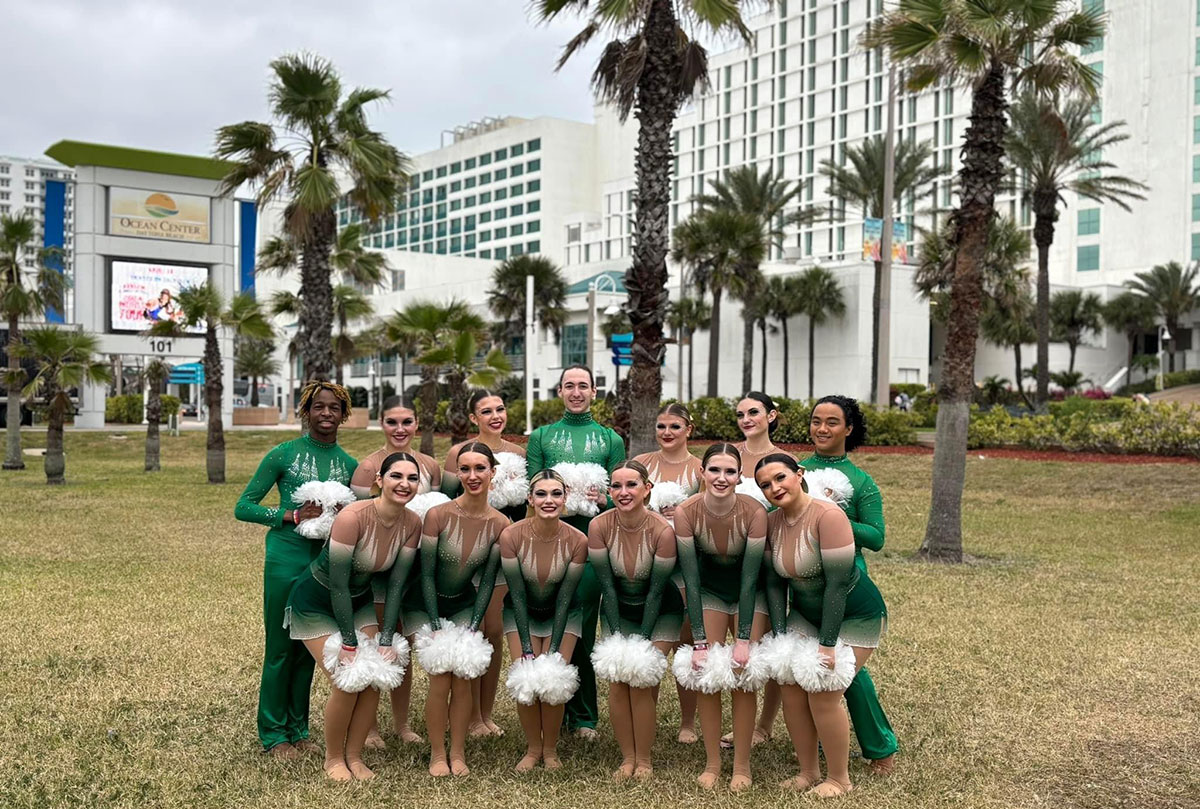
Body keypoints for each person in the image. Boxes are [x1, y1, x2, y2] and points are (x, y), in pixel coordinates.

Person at [235, 380, 357, 759]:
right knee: (280, 648)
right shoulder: (283, 454)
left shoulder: (350, 465)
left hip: (325, 566)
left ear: (343, 415)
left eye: (333, 408)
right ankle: (273, 734)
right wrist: (288, 514)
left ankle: (298, 729)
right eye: (318, 407)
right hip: (285, 559)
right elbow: (244, 506)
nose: (325, 413)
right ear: (305, 411)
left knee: (308, 648)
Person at [284, 452, 423, 781]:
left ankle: (356, 757)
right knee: (348, 680)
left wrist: (387, 638)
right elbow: (337, 584)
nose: (404, 484)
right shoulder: (352, 517)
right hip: (317, 601)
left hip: (358, 600)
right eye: (396, 476)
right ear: (379, 481)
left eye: (412, 478)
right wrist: (348, 642)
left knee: (374, 676)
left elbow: (397, 585)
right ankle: (333, 759)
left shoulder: (413, 524)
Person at [755, 453, 888, 797]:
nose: (774, 488)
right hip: (807, 612)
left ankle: (839, 779)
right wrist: (782, 634)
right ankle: (808, 771)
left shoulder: (829, 516)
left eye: (780, 478)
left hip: (856, 614)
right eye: (765, 485)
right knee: (790, 684)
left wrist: (827, 644)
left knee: (824, 690)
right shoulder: (771, 522)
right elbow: (773, 583)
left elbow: (838, 584)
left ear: (799, 474)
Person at [525, 365, 625, 739]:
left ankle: (583, 715)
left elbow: (621, 493)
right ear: (560, 391)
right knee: (549, 620)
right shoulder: (542, 436)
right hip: (548, 538)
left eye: (584, 386)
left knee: (579, 624)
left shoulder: (610, 439)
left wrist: (603, 497)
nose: (577, 392)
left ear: (595, 392)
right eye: (570, 386)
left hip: (591, 541)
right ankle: (549, 703)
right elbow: (532, 487)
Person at [802, 394, 898, 773]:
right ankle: (825, 743)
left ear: (848, 429)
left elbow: (876, 537)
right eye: (815, 421)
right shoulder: (795, 469)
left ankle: (880, 746)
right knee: (820, 668)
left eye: (831, 422)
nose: (821, 429)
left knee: (847, 672)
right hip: (803, 582)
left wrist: (831, 514)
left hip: (846, 584)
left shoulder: (861, 481)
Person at [673, 443, 769, 791]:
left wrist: (743, 639)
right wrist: (699, 640)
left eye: (730, 471)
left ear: (740, 476)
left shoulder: (754, 511)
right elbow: (691, 579)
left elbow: (750, 576)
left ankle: (741, 765)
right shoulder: (686, 512)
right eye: (715, 470)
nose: (722, 478)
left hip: (749, 593)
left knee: (744, 673)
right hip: (709, 592)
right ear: (702, 472)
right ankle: (713, 762)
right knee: (707, 672)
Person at [414, 442, 509, 777]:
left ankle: (458, 752)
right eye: (465, 469)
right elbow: (425, 573)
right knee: (441, 678)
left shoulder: (500, 523)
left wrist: (473, 624)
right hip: (427, 602)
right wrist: (435, 624)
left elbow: (485, 583)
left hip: (465, 606)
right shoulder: (438, 515)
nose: (472, 476)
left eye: (480, 468)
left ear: (492, 473)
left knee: (465, 676)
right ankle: (438, 755)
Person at [589, 460, 681, 780]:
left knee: (641, 683)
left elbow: (657, 592)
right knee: (618, 682)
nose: (623, 492)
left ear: (647, 489)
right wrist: (617, 641)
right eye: (616, 486)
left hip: (662, 611)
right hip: (618, 608)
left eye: (631, 485)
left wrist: (640, 642)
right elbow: (607, 588)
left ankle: (644, 760)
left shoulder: (662, 531)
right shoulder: (598, 526)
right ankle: (626, 758)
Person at [445, 388, 526, 737]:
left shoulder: (520, 453)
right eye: (486, 411)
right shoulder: (456, 453)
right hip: (466, 547)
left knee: (493, 631)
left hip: (503, 542)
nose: (495, 416)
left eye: (500, 409)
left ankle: (484, 714)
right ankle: (464, 710)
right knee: (471, 629)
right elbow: (448, 498)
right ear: (473, 418)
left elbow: (527, 506)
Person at [499, 469, 588, 771]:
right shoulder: (511, 535)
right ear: (530, 498)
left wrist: (551, 652)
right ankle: (532, 749)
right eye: (541, 494)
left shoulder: (578, 540)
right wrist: (526, 646)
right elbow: (518, 594)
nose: (549, 500)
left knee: (553, 682)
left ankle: (550, 750)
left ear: (565, 499)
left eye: (556, 494)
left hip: (564, 613)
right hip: (520, 611)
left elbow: (565, 597)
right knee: (526, 679)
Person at [632, 402, 703, 743]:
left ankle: (688, 722)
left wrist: (685, 511)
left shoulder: (701, 469)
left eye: (675, 426)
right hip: (647, 559)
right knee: (652, 639)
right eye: (661, 426)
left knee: (685, 640)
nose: (667, 433)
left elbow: (711, 512)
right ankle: (647, 714)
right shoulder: (642, 465)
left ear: (689, 429)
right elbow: (623, 499)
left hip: (687, 562)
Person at [352, 396, 445, 498]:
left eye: (407, 422)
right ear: (381, 423)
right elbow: (360, 511)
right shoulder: (368, 468)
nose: (400, 429)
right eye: (392, 422)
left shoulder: (431, 465)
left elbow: (436, 507)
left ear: (417, 423)